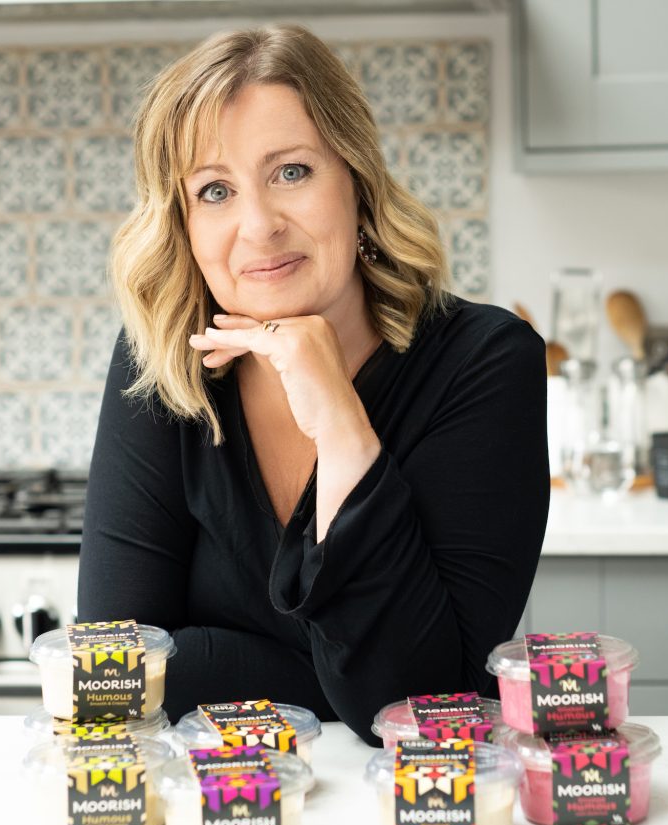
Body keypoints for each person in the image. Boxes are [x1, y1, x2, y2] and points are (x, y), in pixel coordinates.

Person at [77, 23, 549, 744]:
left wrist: (341, 427)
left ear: (356, 179)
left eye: (291, 172)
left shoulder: (484, 362)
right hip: (221, 794)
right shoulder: (162, 362)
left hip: (415, 797)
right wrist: (332, 675)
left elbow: (419, 709)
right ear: (184, 226)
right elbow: (116, 675)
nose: (259, 225)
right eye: (215, 190)